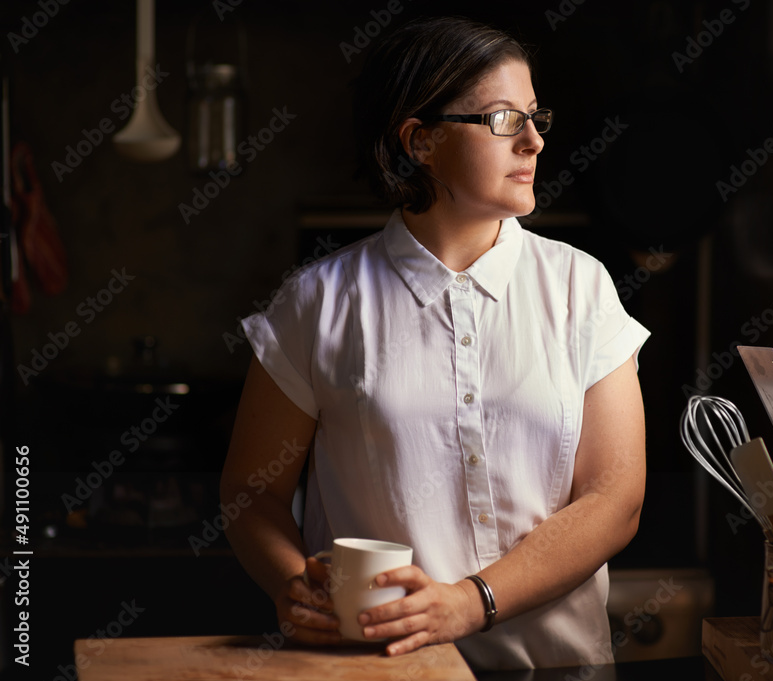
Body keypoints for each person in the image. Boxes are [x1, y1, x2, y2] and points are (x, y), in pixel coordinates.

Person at [220, 15, 650, 670]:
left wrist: (468, 601)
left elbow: (615, 500)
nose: (534, 141)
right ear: (420, 141)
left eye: (537, 117)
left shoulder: (581, 288)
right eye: (505, 120)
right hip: (380, 669)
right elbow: (252, 495)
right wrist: (292, 583)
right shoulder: (316, 302)